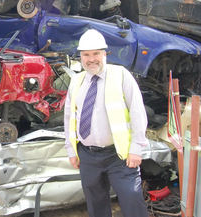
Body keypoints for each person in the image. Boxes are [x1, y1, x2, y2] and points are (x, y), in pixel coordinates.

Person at [63, 29, 149, 217]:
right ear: (81, 56)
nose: (91, 59)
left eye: (96, 53)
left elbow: (137, 113)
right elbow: (69, 117)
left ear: (105, 54)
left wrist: (136, 148)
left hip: (118, 155)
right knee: (96, 203)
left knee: (132, 196)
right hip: (88, 155)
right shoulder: (76, 81)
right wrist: (71, 150)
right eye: (86, 54)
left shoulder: (121, 75)